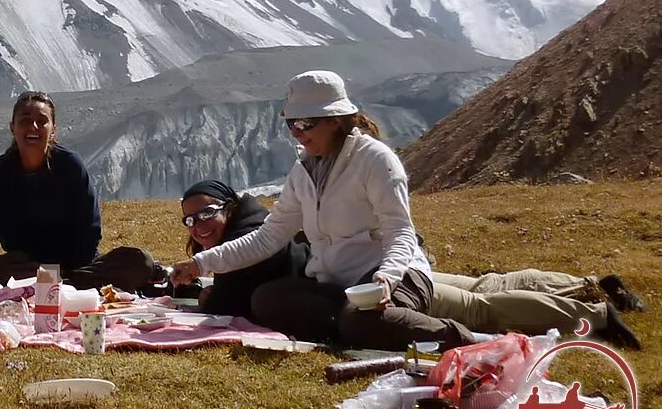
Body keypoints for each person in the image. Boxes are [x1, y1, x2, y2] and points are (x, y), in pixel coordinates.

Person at [172, 70, 475, 351]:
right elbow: (268, 236)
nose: (296, 133)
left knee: (359, 319)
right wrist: (201, 263)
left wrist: (387, 277)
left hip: (395, 276)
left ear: (335, 120)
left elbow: (400, 231)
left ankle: (459, 339)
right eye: (291, 124)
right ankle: (355, 328)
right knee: (266, 300)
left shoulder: (375, 160)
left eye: (305, 124)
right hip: (340, 287)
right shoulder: (303, 170)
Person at [0, 91, 160, 292]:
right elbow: (9, 238)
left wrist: (65, 267)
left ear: (53, 130)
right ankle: (68, 286)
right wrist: (46, 268)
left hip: (78, 263)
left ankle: (55, 286)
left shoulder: (69, 164)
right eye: (25, 120)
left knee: (140, 261)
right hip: (33, 266)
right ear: (13, 128)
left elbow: (90, 230)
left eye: (41, 122)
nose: (33, 127)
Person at [178, 179, 309, 318]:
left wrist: (211, 298)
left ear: (228, 208)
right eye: (190, 220)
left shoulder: (247, 233)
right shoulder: (239, 226)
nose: (199, 225)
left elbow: (226, 306)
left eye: (207, 213)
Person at [429, 269, 642, 349]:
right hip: (406, 268)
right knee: (490, 285)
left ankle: (596, 316)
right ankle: (592, 286)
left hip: (401, 282)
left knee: (476, 309)